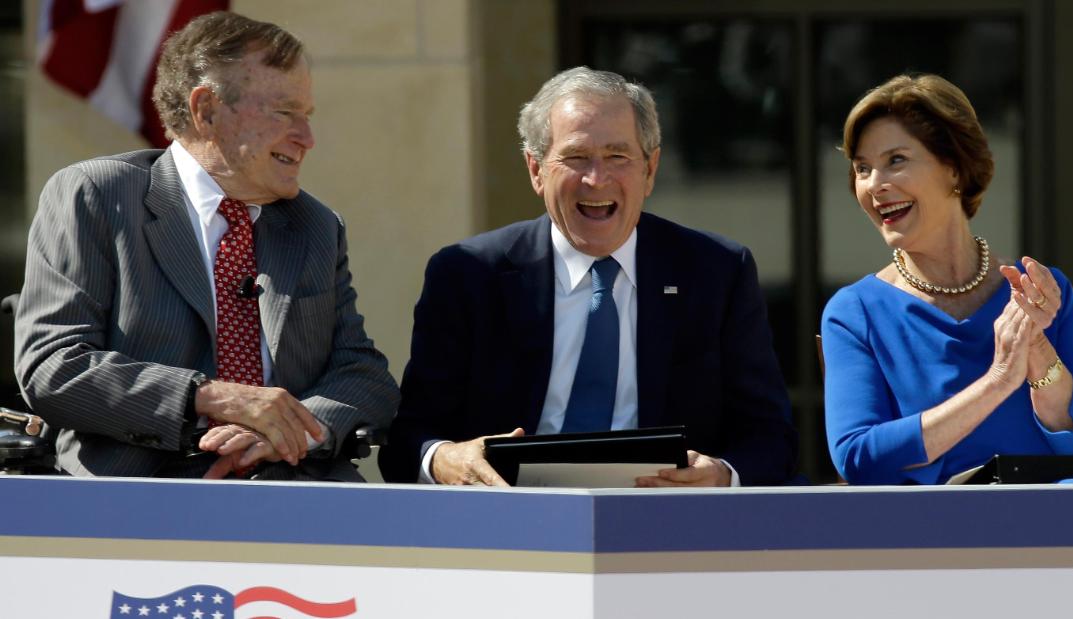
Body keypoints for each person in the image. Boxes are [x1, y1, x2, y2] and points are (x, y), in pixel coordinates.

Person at [14, 11, 399, 480]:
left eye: (307, 115)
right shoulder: (98, 196)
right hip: (139, 500)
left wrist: (290, 430)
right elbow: (54, 366)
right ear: (207, 111)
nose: (306, 138)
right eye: (284, 113)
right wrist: (215, 397)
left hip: (296, 497)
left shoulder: (314, 225)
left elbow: (362, 373)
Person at [378, 66, 796, 487]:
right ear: (536, 170)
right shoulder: (468, 275)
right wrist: (446, 459)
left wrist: (721, 475)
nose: (597, 179)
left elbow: (770, 437)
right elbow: (409, 440)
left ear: (650, 169)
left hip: (666, 523)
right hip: (512, 522)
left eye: (618, 157)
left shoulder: (716, 272)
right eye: (576, 157)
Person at [822, 73, 1073, 484]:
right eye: (863, 169)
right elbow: (859, 457)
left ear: (953, 168)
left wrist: (1039, 353)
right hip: (934, 539)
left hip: (1052, 535)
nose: (874, 185)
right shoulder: (854, 312)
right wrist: (998, 381)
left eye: (895, 160)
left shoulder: (1039, 291)